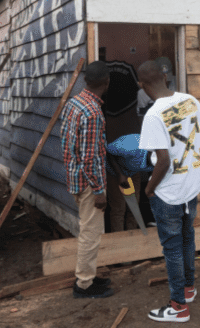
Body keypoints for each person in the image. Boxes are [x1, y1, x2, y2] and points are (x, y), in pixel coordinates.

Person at [137, 60, 200, 323]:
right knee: (187, 238)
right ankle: (188, 289)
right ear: (165, 77)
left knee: (172, 248)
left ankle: (178, 308)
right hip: (190, 187)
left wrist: (149, 190)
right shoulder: (189, 101)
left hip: (168, 193)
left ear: (141, 86)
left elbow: (162, 162)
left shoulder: (153, 116)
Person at [59, 61, 115, 299]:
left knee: (88, 231)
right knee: (90, 233)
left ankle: (88, 276)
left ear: (85, 80)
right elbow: (90, 157)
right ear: (106, 83)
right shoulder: (92, 112)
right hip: (88, 183)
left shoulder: (74, 103)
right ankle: (83, 285)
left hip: (74, 177)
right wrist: (99, 190)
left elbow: (68, 142)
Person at [105, 133, 154, 231]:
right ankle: (119, 238)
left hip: (132, 171)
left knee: (134, 207)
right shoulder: (131, 148)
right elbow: (108, 151)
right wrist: (120, 175)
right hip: (114, 172)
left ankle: (132, 236)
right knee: (119, 208)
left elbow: (154, 170)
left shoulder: (159, 156)